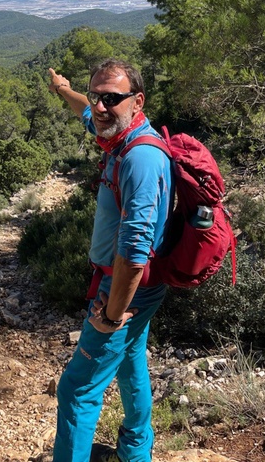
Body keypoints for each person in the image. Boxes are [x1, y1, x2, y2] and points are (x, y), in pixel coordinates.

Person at [48, 60, 174, 462]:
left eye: (112, 99)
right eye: (97, 95)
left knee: (77, 390)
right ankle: (136, 451)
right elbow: (85, 110)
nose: (101, 107)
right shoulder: (118, 135)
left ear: (137, 101)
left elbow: (134, 252)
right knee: (130, 361)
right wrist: (62, 88)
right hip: (140, 289)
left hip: (123, 289)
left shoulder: (140, 158)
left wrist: (112, 313)